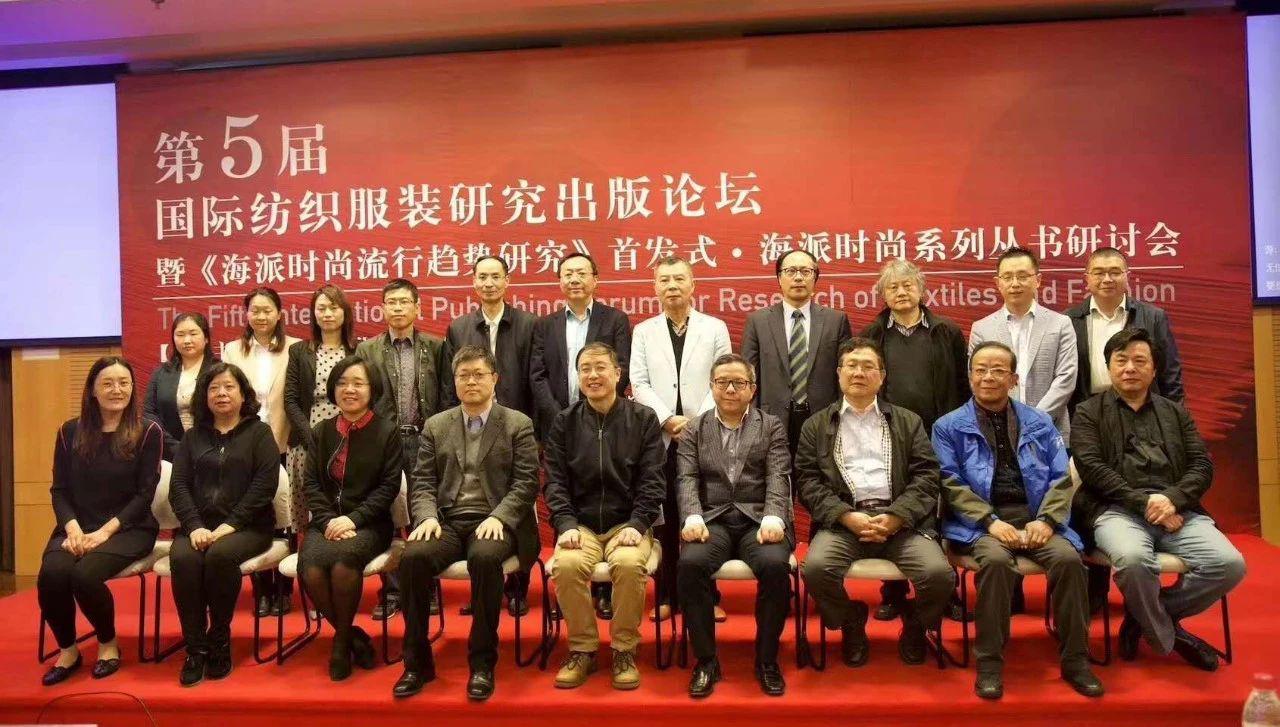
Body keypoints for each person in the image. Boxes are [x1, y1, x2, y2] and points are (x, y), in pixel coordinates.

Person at [933, 341, 1103, 700]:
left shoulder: (1040, 421)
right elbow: (950, 482)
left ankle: (1076, 660)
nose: (988, 377)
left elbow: (1060, 478)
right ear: (970, 376)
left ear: (1013, 379)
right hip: (980, 523)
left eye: (998, 370)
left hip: (1036, 516)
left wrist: (1047, 520)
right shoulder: (947, 426)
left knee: (1069, 561)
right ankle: (989, 663)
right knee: (996, 563)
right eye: (980, 370)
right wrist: (990, 521)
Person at [1071, 328, 1246, 672]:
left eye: (1140, 361)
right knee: (1134, 561)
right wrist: (1147, 504)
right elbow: (1092, 469)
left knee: (1229, 564)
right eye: (1121, 360)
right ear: (1108, 367)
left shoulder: (1176, 413)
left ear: (1154, 370)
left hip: (1176, 511)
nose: (1129, 368)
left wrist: (1171, 499)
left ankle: (1145, 616)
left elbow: (1202, 465)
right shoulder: (1088, 412)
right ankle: (1169, 636)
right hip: (1115, 510)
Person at [394, 346, 540, 701]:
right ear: (454, 381)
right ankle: (416, 662)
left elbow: (526, 483)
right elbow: (422, 481)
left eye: (479, 374)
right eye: (464, 375)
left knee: (485, 558)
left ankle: (482, 662)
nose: (471, 382)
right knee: (412, 557)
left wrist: (499, 516)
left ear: (495, 379)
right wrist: (427, 516)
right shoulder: (437, 425)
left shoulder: (517, 423)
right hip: (447, 520)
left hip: (497, 520)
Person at [797, 338, 952, 668]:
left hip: (901, 523)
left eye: (868, 366)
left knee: (939, 575)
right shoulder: (816, 425)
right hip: (843, 523)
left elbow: (927, 476)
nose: (859, 373)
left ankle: (916, 624)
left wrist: (897, 516)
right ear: (839, 373)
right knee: (816, 569)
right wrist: (844, 515)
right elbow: (807, 482)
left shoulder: (908, 421)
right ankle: (850, 621)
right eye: (851, 366)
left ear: (882, 377)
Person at [545, 342, 665, 691]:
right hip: (580, 525)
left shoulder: (643, 419)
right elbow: (554, 482)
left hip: (628, 524)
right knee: (566, 566)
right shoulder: (564, 422)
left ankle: (624, 649)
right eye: (585, 369)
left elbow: (653, 481)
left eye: (601, 367)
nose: (593, 375)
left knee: (628, 563)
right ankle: (582, 649)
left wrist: (638, 524)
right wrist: (566, 524)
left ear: (618, 373)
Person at [38, 357, 163, 686]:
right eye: (107, 383)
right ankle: (68, 650)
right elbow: (60, 490)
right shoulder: (69, 431)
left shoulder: (147, 432)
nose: (117, 390)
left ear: (133, 388)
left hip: (129, 528)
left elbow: (145, 495)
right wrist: (73, 528)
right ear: (92, 390)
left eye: (124, 383)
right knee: (52, 574)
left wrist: (104, 533)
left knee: (85, 575)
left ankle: (107, 644)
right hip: (77, 527)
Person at [676, 354, 792, 698]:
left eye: (738, 383)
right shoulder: (695, 428)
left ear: (752, 389)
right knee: (690, 564)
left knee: (775, 566)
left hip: (759, 520)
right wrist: (692, 515)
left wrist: (774, 516)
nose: (730, 389)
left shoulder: (771, 426)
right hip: (712, 521)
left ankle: (766, 659)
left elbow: (779, 474)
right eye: (722, 382)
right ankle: (706, 660)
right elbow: (686, 477)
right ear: (711, 387)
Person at [860, 258, 969, 622]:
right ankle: (893, 591)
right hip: (888, 434)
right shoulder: (873, 335)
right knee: (894, 505)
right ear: (883, 294)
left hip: (940, 432)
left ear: (922, 290)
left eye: (908, 285)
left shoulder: (946, 331)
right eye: (893, 287)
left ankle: (946, 590)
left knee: (942, 508)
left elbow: (962, 384)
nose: (901, 292)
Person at [530, 252, 633, 618]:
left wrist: (594, 409)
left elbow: (621, 368)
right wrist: (563, 417)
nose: (574, 279)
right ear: (560, 281)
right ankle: (569, 587)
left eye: (581, 273)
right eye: (567, 274)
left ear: (595, 279)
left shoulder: (614, 319)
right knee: (565, 493)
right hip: (560, 424)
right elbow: (537, 375)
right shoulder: (545, 325)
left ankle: (605, 591)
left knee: (605, 490)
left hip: (606, 422)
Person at [630, 255, 731, 622]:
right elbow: (638, 381)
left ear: (693, 285)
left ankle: (707, 596)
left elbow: (723, 377)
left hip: (704, 433)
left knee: (704, 514)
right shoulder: (644, 331)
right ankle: (666, 596)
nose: (671, 286)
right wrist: (667, 418)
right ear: (655, 288)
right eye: (664, 280)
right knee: (667, 519)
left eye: (678, 279)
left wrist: (695, 421)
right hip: (660, 438)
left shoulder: (715, 327)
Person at [167, 362, 280, 687]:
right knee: (184, 558)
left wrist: (230, 525)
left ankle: (218, 638)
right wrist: (194, 526)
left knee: (219, 556)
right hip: (198, 527)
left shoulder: (259, 433)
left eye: (229, 387)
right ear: (204, 396)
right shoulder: (192, 437)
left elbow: (264, 486)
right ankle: (195, 647)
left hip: (249, 527)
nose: (221, 393)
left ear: (244, 394)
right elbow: (179, 486)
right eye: (214, 388)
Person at [440, 255, 538, 618]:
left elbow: (536, 378)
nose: (489, 283)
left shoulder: (528, 324)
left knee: (516, 504)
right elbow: (451, 384)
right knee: (479, 504)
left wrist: (534, 429)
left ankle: (518, 587)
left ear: (507, 281)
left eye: (496, 276)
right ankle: (483, 589)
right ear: (474, 282)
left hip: (516, 428)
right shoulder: (459, 327)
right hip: (473, 428)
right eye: (482, 276)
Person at [298, 356, 403, 681]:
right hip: (326, 522)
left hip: (370, 523)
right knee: (311, 569)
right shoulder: (321, 431)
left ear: (372, 389)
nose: (349, 390)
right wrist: (329, 519)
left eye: (358, 383)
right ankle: (351, 636)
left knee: (343, 566)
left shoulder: (387, 432)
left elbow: (388, 487)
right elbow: (311, 484)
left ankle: (341, 646)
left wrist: (353, 519)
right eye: (342, 383)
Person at [356, 278, 446, 621]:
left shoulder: (436, 347)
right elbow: (362, 400)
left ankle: (427, 587)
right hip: (385, 443)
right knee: (389, 515)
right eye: (391, 302)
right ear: (382, 309)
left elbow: (447, 396)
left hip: (426, 440)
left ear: (417, 308)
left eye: (404, 302)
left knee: (428, 513)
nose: (397, 308)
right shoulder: (367, 351)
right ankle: (393, 590)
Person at [220, 286, 301, 617]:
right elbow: (227, 395)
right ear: (246, 314)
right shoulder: (232, 350)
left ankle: (284, 589)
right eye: (255, 310)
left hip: (284, 441)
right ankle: (261, 590)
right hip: (246, 445)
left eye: (267, 310)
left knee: (285, 515)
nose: (261, 316)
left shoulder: (295, 348)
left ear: (279, 314)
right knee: (253, 515)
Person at [742, 249, 852, 456]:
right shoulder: (758, 321)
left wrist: (840, 416)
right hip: (772, 420)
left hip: (823, 418)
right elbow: (749, 377)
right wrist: (754, 421)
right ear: (779, 278)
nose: (798, 277)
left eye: (805, 271)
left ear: (815, 278)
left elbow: (844, 374)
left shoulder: (835, 320)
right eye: (791, 271)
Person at [969, 248, 1078, 438]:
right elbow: (977, 380)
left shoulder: (1061, 324)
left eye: (1022, 276)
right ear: (998, 283)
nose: (1015, 283)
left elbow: (1066, 378)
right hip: (999, 431)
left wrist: (1035, 421)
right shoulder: (982, 328)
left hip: (1051, 430)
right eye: (1007, 277)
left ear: (1038, 280)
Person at [1065, 246, 1185, 409]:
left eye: (1115, 272)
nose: (1107, 279)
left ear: (1127, 276)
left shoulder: (1154, 317)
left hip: (1143, 410)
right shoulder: (1068, 320)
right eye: (1099, 273)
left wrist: (1174, 417)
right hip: (1087, 412)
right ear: (1087, 278)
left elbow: (1170, 376)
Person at [284, 285, 357, 535]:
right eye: (321, 308)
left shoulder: (358, 351)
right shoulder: (299, 351)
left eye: (333, 308)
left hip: (348, 438)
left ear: (345, 313)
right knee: (306, 512)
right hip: (306, 440)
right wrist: (312, 439)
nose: (327, 313)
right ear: (313, 314)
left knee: (342, 505)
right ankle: (306, 553)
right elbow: (291, 400)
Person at [144, 313, 216, 460]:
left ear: (206, 338)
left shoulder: (219, 371)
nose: (187, 340)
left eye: (193, 334)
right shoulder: (161, 373)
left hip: (212, 451)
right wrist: (174, 446)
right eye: (180, 335)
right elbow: (149, 412)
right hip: (170, 453)